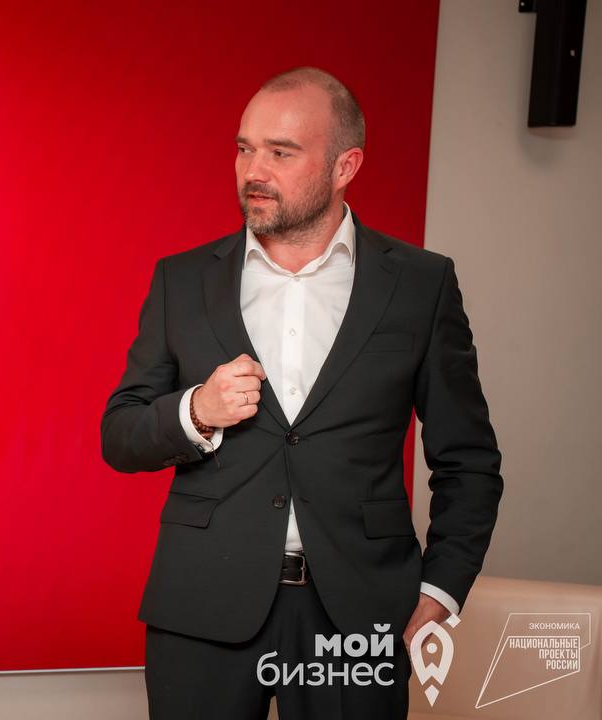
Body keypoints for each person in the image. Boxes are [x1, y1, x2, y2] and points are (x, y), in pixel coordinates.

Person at [100, 67, 502, 719]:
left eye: (281, 152)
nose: (253, 170)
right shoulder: (182, 280)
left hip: (360, 611)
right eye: (244, 148)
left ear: (346, 165)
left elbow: (468, 460)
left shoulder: (421, 285)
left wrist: (442, 587)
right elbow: (119, 436)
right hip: (202, 606)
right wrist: (196, 411)